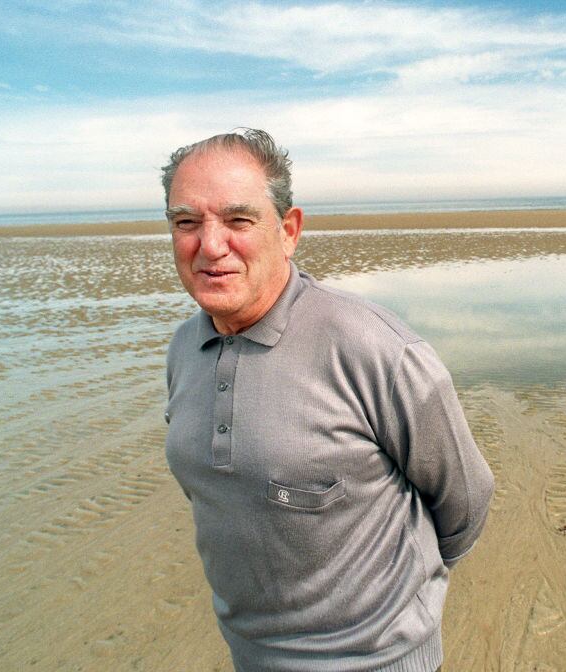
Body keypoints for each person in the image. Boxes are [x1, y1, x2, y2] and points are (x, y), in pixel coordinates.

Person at [161, 128, 494, 672]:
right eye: (186, 223)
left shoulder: (377, 350)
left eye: (239, 220)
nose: (210, 245)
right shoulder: (183, 349)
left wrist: (406, 609)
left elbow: (465, 498)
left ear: (288, 231)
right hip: (249, 657)